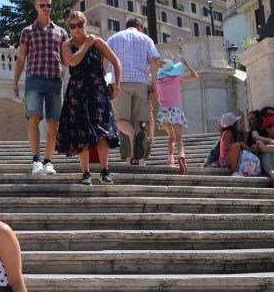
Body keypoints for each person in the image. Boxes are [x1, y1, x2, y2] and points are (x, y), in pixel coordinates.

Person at [55, 11, 122, 186]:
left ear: (85, 24)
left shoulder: (98, 42)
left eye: (79, 25)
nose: (76, 29)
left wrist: (117, 85)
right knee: (80, 132)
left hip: (97, 88)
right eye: (72, 26)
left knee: (102, 132)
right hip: (77, 91)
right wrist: (87, 44)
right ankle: (85, 173)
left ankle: (105, 170)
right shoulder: (66, 45)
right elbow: (73, 62)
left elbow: (116, 62)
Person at [13, 0, 68, 175]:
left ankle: (48, 161)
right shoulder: (27, 31)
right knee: (34, 118)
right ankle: (36, 160)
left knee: (54, 123)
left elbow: (67, 59)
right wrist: (15, 82)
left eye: (48, 5)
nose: (46, 8)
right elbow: (21, 58)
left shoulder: (61, 32)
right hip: (34, 79)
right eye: (42, 5)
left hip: (55, 80)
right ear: (36, 7)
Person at [105, 17, 161, 166]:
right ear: (140, 26)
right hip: (141, 83)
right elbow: (154, 60)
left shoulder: (114, 38)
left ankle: (133, 141)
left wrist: (104, 80)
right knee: (138, 122)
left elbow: (104, 58)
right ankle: (138, 161)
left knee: (120, 120)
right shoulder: (146, 39)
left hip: (120, 82)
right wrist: (153, 84)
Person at [155, 57, 199, 174]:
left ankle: (170, 160)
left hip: (164, 111)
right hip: (175, 110)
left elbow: (147, 73)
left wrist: (155, 65)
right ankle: (182, 157)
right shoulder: (176, 78)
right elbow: (195, 76)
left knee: (171, 137)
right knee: (179, 138)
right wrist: (187, 65)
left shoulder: (157, 79)